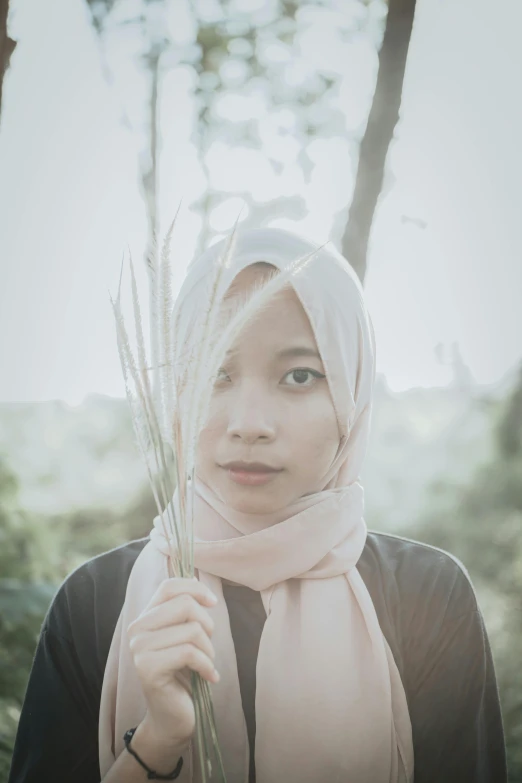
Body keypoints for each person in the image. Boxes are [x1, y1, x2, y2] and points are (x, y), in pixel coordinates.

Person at [8, 228, 507, 783]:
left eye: (300, 376)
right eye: (215, 374)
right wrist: (158, 741)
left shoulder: (427, 597)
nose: (249, 425)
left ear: (351, 395)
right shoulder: (92, 605)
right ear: (178, 395)